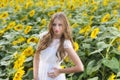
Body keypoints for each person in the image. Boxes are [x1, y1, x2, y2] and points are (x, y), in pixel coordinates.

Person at [33, 12, 84, 80]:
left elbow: (80, 67)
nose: (56, 28)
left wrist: (60, 71)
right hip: (40, 75)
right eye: (54, 24)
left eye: (60, 25)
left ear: (65, 26)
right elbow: (36, 57)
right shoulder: (44, 37)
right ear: (51, 25)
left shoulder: (65, 43)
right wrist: (36, 76)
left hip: (53, 76)